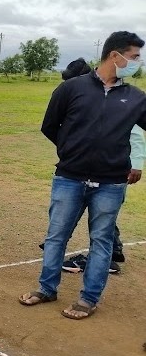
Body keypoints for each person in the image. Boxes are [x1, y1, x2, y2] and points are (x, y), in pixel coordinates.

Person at [19, 31, 146, 320]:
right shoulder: (72, 88)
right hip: (69, 178)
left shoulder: (136, 98)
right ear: (116, 56)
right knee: (56, 237)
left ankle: (88, 299)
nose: (137, 63)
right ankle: (46, 288)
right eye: (135, 56)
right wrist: (71, 151)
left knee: (101, 241)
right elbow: (50, 125)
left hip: (111, 184)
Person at [38, 58, 145, 275]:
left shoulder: (118, 96)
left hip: (112, 169)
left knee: (101, 218)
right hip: (79, 167)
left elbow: (134, 134)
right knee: (88, 212)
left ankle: (110, 255)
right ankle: (106, 250)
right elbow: (51, 126)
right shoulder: (78, 92)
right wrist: (73, 150)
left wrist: (137, 163)